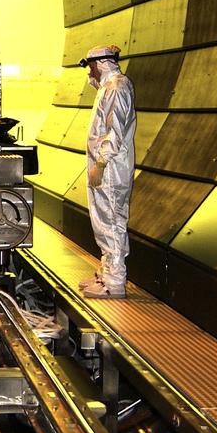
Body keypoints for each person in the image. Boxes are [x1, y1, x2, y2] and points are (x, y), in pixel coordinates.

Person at [76, 45, 136, 300]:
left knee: (111, 221)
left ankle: (114, 282)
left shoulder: (116, 87)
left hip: (111, 168)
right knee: (105, 221)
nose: (89, 72)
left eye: (90, 66)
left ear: (101, 63)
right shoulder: (109, 87)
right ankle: (107, 273)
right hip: (106, 166)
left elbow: (115, 130)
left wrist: (100, 163)